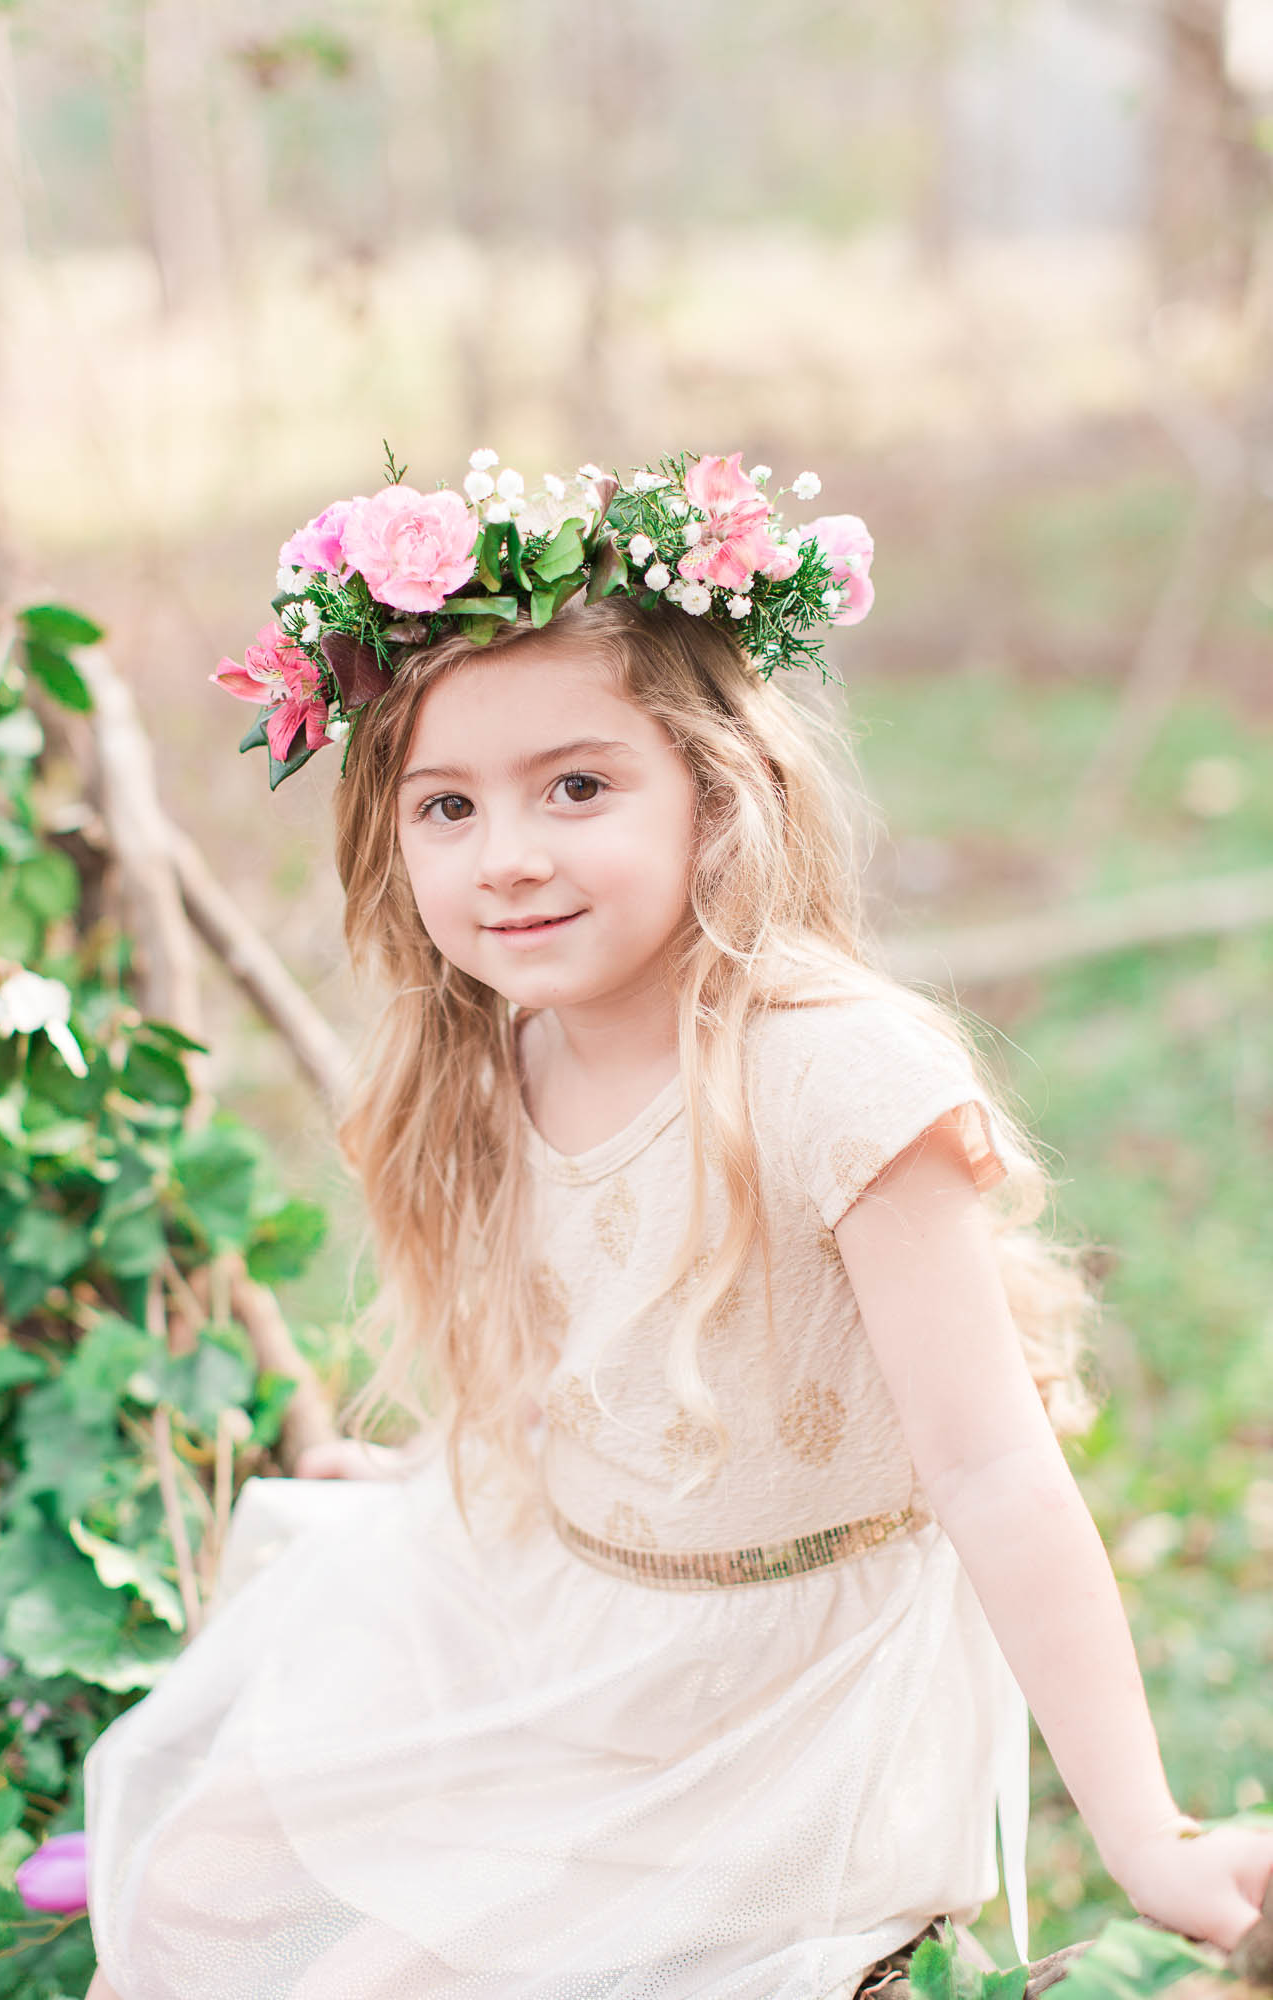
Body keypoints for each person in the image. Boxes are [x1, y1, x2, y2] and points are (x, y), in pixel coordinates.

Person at [83, 452, 1273, 2000]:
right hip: (558, 1609)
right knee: (190, 1889)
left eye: (576, 787)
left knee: (370, 1980)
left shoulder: (832, 1074)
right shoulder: (502, 1047)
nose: (506, 853)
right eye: (448, 805)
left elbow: (991, 1471)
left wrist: (1145, 1829)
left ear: (716, 793)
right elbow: (573, 1357)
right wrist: (448, 1477)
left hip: (770, 1697)